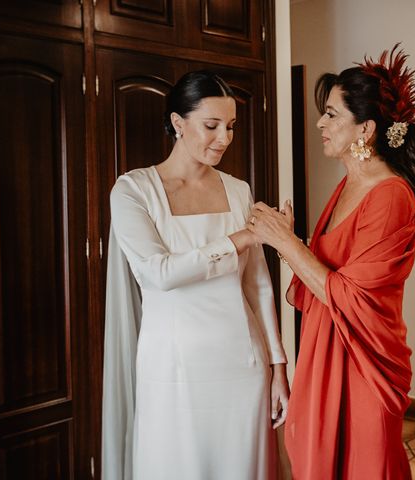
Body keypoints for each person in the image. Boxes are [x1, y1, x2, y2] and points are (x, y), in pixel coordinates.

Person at [247, 46, 415, 479]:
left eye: (331, 114)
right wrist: (289, 244)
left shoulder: (391, 196)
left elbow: (352, 296)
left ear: (366, 129)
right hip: (324, 351)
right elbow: (322, 279)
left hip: (363, 365)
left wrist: (287, 243)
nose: (320, 123)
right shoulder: (347, 184)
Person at [101, 70, 289, 480]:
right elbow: (158, 274)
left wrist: (278, 365)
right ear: (177, 123)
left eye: (231, 127)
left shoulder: (238, 189)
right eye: (211, 126)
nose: (224, 138)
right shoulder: (133, 191)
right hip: (173, 371)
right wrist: (239, 238)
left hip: (244, 365)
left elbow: (257, 286)